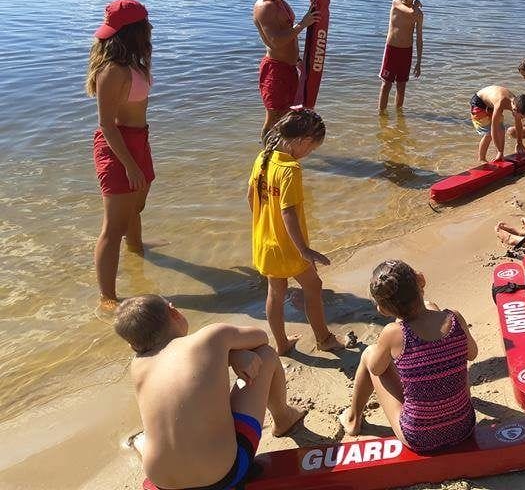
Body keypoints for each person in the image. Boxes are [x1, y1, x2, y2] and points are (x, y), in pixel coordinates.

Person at [115, 295, 307, 490]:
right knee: (265, 354)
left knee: (156, 433)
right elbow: (260, 338)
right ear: (174, 311)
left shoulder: (137, 366)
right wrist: (231, 352)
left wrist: (227, 353)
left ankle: (140, 444)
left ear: (132, 345)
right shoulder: (212, 336)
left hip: (163, 483)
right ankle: (284, 418)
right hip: (222, 476)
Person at [338, 260, 477, 452]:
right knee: (436, 329)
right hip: (463, 427)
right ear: (421, 280)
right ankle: (449, 404)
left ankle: (353, 419)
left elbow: (376, 369)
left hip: (419, 437)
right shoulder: (453, 317)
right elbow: (472, 354)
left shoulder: (393, 333)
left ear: (383, 309)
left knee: (370, 354)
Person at [248, 108, 343, 354]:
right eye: (310, 150)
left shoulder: (263, 158)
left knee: (275, 294)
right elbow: (288, 212)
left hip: (265, 242)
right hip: (290, 248)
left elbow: (251, 196)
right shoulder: (290, 169)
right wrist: (305, 250)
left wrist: (263, 224)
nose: (308, 155)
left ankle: (281, 344)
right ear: (302, 141)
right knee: (314, 287)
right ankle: (324, 339)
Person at [87, 0, 155, 312]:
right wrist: (129, 165)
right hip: (118, 146)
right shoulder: (112, 70)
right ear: (137, 30)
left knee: (136, 207)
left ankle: (138, 251)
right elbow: (106, 124)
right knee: (113, 227)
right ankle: (107, 297)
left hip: (139, 139)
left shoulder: (136, 60)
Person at [253, 0, 317, 141]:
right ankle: (266, 156)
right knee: (274, 116)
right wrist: (302, 25)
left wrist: (298, 61)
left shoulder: (280, 2)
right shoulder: (264, 7)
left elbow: (287, 37)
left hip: (289, 67)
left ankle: (281, 151)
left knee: (288, 114)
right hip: (275, 69)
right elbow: (275, 42)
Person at [378, 0, 424, 114]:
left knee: (401, 86)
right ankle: (381, 115)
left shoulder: (419, 14)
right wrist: (415, 6)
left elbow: (419, 39)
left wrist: (419, 61)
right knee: (386, 84)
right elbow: (409, 11)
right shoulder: (396, 2)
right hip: (392, 50)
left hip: (406, 51)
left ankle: (399, 115)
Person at [469, 86, 525, 162]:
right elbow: (494, 129)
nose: (522, 118)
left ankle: (500, 155)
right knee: (489, 134)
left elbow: (518, 124)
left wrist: (519, 142)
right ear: (515, 109)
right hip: (479, 103)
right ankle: (482, 159)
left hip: (491, 103)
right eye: (521, 116)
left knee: (501, 129)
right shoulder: (501, 103)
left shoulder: (519, 104)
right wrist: (499, 151)